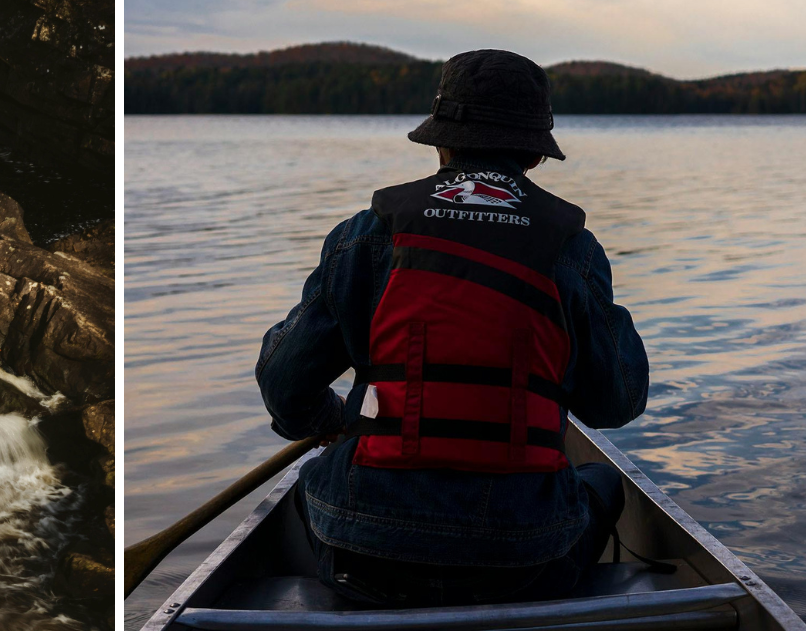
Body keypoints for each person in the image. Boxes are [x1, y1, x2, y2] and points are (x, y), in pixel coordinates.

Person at [256, 48, 649, 607]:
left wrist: (330, 421)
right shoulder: (572, 249)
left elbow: (284, 385)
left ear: (441, 143)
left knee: (317, 478)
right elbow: (617, 404)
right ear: (536, 156)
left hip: (364, 560)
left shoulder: (365, 234)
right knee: (604, 484)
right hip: (528, 562)